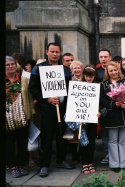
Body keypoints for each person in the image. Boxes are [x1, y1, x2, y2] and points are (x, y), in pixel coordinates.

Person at [29, 43, 74, 177]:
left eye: (57, 52)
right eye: (52, 51)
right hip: (47, 109)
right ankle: (44, 164)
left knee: (62, 136)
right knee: (47, 137)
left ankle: (61, 160)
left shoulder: (65, 70)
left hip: (63, 108)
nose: (55, 54)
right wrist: (47, 99)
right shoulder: (39, 68)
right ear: (47, 52)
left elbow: (70, 88)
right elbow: (33, 88)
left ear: (60, 53)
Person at [100, 61, 125, 173]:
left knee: (123, 140)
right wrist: (113, 104)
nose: (114, 72)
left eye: (115, 70)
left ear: (118, 70)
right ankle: (114, 164)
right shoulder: (104, 84)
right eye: (111, 71)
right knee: (113, 140)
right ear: (107, 72)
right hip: (111, 116)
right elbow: (102, 100)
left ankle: (123, 162)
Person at [6, 56, 29, 178]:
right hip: (7, 119)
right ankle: (13, 166)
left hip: (22, 116)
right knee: (8, 143)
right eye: (7, 65)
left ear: (16, 65)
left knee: (22, 142)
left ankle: (21, 164)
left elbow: (29, 96)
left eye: (12, 64)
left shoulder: (23, 79)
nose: (10, 66)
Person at [79, 65, 99, 174]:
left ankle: (90, 162)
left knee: (91, 141)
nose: (89, 78)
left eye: (91, 76)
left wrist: (99, 111)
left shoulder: (97, 86)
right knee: (83, 141)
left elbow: (100, 102)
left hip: (92, 118)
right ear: (84, 76)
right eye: (87, 76)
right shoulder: (79, 86)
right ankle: (84, 163)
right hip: (82, 118)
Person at [96, 49, 112, 164]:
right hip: (102, 106)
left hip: (116, 105)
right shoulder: (97, 72)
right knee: (105, 131)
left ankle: (118, 153)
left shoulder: (115, 69)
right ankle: (107, 153)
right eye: (101, 57)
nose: (103, 59)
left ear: (110, 57)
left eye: (105, 57)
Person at [68, 60, 84, 165]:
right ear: (71, 70)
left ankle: (83, 155)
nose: (77, 70)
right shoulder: (68, 80)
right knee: (74, 134)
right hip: (73, 110)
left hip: (84, 110)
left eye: (79, 68)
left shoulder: (86, 80)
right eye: (75, 68)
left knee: (83, 133)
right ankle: (74, 155)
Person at [22, 59, 37, 167]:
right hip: (20, 111)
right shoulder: (24, 78)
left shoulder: (26, 79)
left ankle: (30, 158)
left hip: (30, 110)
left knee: (32, 135)